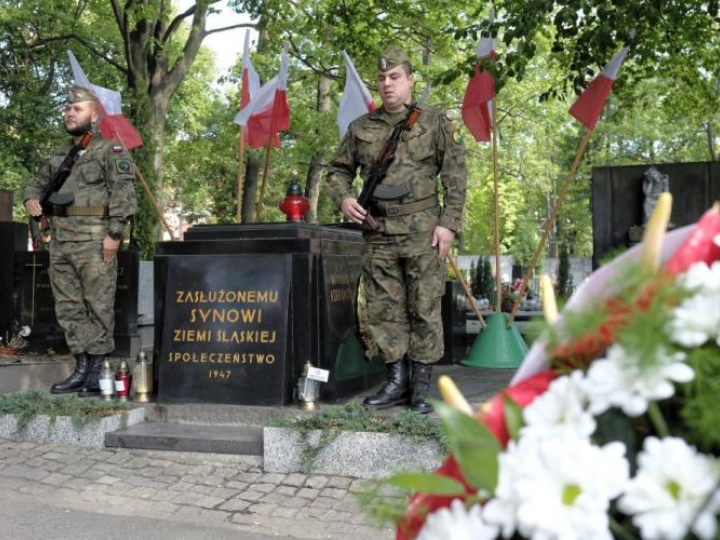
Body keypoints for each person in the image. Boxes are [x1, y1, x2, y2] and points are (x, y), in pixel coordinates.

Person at [325, 46, 467, 413]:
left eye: (395, 77)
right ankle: (396, 382)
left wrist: (448, 225)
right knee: (384, 309)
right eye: (382, 78)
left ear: (410, 80)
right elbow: (337, 170)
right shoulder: (362, 127)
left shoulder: (435, 122)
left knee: (424, 306)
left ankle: (420, 386)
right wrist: (343, 199)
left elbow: (455, 175)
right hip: (379, 232)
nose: (387, 84)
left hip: (424, 232)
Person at [23, 86, 137, 397]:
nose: (70, 113)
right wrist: (31, 200)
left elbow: (124, 196)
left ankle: (99, 371)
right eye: (68, 109)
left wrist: (114, 234)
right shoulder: (59, 156)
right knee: (69, 308)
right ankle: (82, 368)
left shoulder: (110, 151)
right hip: (61, 243)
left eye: (78, 109)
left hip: (95, 242)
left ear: (95, 115)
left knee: (98, 306)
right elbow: (34, 185)